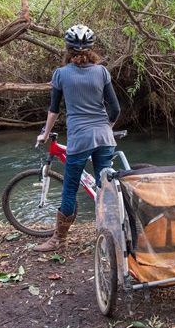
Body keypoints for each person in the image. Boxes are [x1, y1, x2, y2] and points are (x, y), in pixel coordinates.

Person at [34, 24, 120, 252]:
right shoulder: (102, 72)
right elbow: (115, 109)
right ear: (92, 49)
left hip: (79, 138)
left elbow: (54, 110)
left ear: (67, 49)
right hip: (104, 138)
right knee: (105, 187)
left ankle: (59, 240)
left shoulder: (61, 74)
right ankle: (112, 237)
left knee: (70, 188)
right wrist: (106, 128)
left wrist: (45, 133)